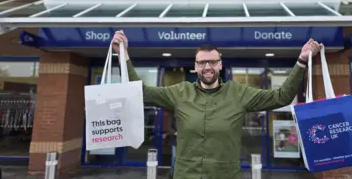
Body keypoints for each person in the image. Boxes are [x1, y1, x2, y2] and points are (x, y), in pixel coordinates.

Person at [112, 30, 323, 179]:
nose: (207, 67)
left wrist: (302, 61)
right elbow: (141, 92)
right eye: (202, 62)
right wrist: (123, 55)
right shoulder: (180, 93)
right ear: (195, 67)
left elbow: (281, 97)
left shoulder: (238, 93)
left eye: (212, 62)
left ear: (220, 64)